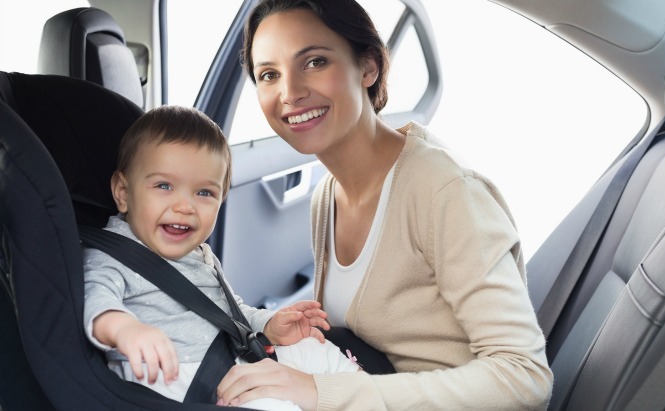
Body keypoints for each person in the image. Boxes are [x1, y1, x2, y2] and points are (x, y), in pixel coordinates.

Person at [213, 0, 554, 409]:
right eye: (269, 74)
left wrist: (320, 392)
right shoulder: (327, 195)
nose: (290, 92)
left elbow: (524, 377)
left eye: (315, 62)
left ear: (368, 67)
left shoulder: (444, 189)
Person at [82, 105, 360, 411]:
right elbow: (96, 300)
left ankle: (372, 399)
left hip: (235, 360)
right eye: (164, 186)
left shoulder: (199, 253)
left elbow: (230, 311)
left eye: (204, 193)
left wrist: (269, 324)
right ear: (123, 192)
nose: (185, 206)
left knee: (315, 349)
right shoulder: (112, 255)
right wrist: (125, 329)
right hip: (178, 378)